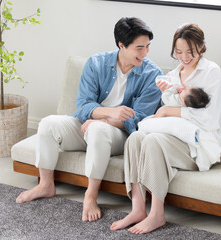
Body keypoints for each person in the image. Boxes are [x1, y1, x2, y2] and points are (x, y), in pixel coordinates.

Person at [16, 17, 162, 223]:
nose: (145, 53)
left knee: (97, 131)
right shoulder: (96, 64)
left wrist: (104, 122)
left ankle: (90, 195)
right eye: (139, 48)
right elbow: (83, 105)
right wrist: (109, 113)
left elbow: (139, 121)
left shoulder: (152, 74)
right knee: (48, 123)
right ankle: (45, 185)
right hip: (89, 124)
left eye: (148, 46)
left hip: (120, 134)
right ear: (122, 45)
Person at [111, 23, 221, 234]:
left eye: (190, 52)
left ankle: (157, 214)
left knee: (153, 140)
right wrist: (164, 98)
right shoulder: (173, 74)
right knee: (136, 137)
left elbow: (208, 118)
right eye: (178, 52)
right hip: (174, 136)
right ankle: (137, 209)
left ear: (201, 46)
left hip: (198, 144)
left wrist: (166, 111)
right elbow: (170, 105)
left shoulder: (211, 72)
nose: (184, 57)